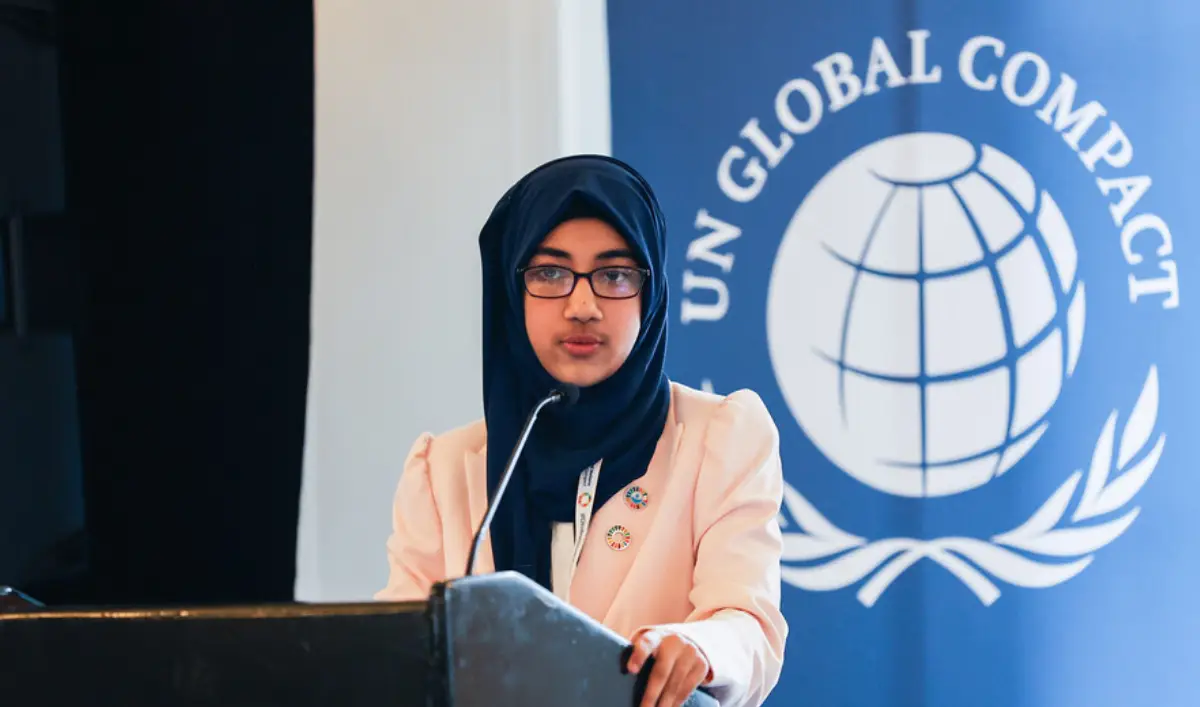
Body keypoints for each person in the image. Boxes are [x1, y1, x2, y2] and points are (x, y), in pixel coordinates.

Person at [375, 155, 787, 707]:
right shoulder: (444, 471)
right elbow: (399, 655)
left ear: (651, 291)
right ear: (511, 290)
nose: (583, 306)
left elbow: (749, 625)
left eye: (615, 274)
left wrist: (699, 646)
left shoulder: (720, 437)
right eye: (550, 273)